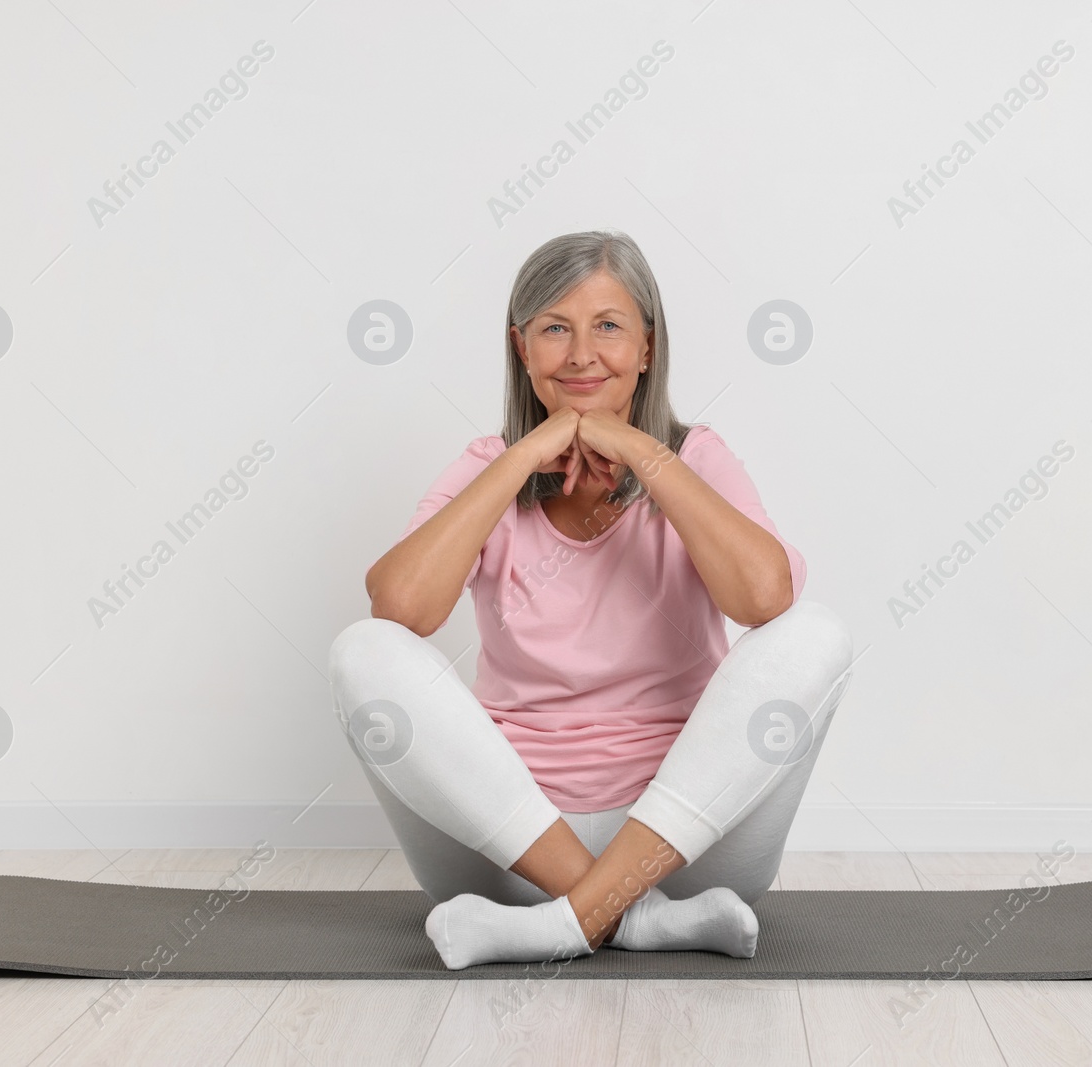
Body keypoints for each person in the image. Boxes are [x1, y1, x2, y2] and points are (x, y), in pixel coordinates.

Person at [329, 229, 854, 970]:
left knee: (816, 632)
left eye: (607, 326)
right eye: (554, 329)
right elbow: (401, 608)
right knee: (361, 650)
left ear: (646, 345)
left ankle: (568, 921)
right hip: (507, 847)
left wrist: (643, 451)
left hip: (688, 842)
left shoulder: (694, 458)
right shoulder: (490, 468)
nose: (580, 355)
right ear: (522, 348)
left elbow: (764, 597)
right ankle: (629, 917)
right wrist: (523, 456)